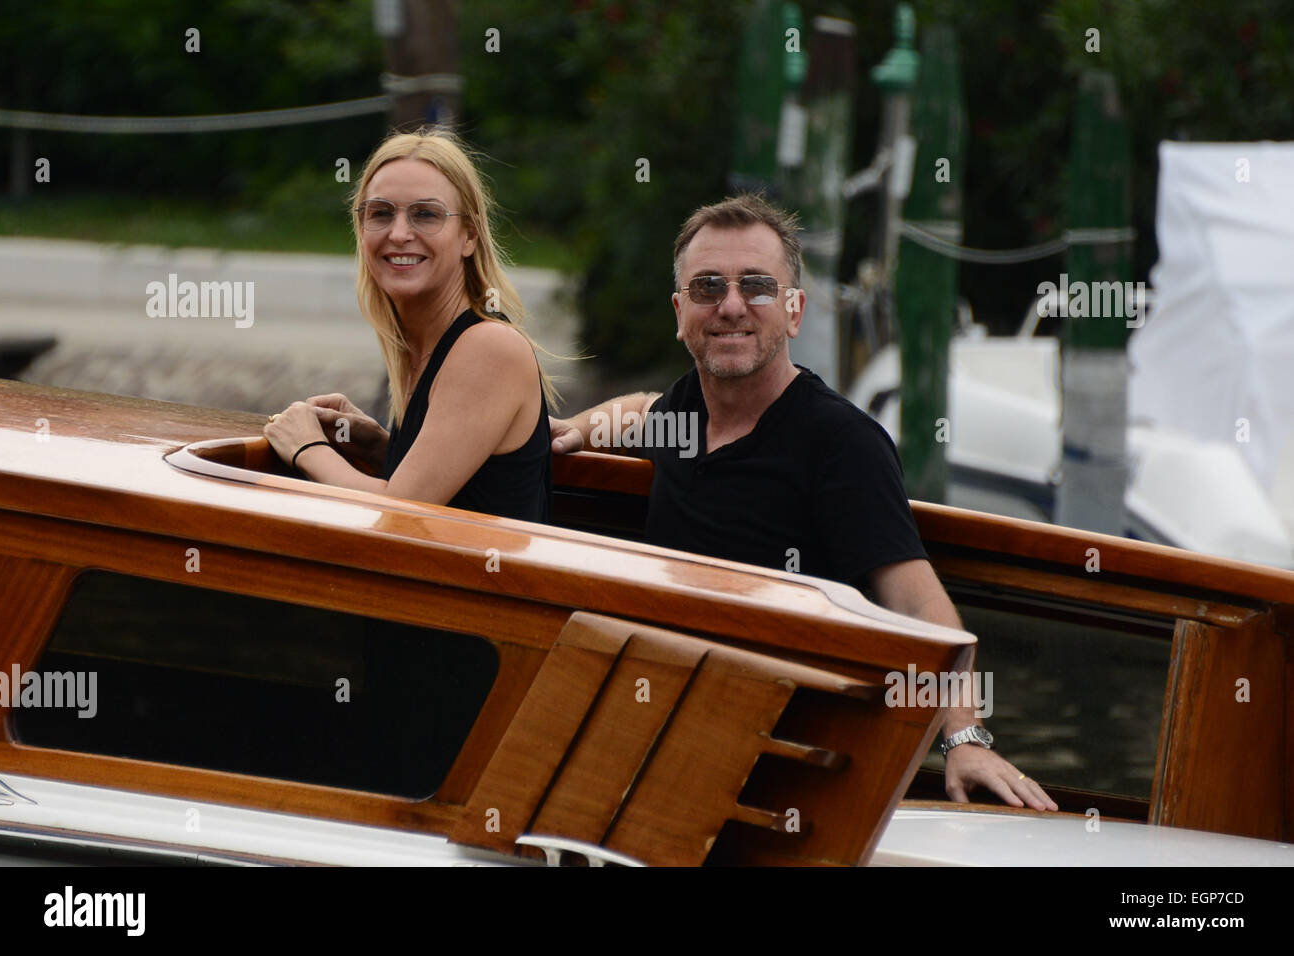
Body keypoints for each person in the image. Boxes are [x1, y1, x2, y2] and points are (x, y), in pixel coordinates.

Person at [550, 193, 1058, 811]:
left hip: (785, 760)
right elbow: (639, 410)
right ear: (680, 312)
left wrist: (965, 737)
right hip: (664, 734)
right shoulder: (682, 414)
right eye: (708, 287)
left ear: (794, 312)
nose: (731, 305)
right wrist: (583, 425)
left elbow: (918, 602)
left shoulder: (839, 442)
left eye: (757, 286)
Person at [263, 129, 553, 522]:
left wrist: (307, 448)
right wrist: (379, 445)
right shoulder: (424, 343)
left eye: (426, 214)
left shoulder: (489, 347)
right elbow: (465, 487)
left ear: (469, 235)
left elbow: (400, 511)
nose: (399, 234)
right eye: (381, 213)